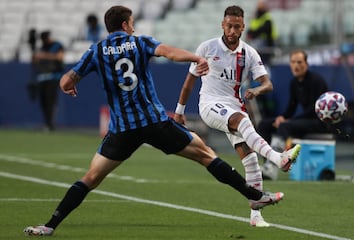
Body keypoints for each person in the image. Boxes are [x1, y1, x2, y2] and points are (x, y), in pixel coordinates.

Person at [23, 5, 286, 236]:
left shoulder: (97, 51)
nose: (134, 25)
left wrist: (68, 85)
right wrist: (196, 58)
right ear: (126, 25)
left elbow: (66, 80)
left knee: (91, 177)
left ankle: (50, 225)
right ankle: (256, 196)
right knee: (206, 154)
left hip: (122, 130)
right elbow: (170, 52)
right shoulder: (139, 43)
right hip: (154, 123)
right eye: (132, 21)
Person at [173, 5, 301, 227]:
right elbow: (189, 83)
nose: (232, 30)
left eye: (237, 27)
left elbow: (267, 83)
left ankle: (256, 216)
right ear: (222, 25)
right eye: (229, 26)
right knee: (243, 122)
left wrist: (257, 90)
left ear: (243, 27)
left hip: (235, 106)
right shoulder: (207, 48)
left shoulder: (249, 53)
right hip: (210, 105)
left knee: (250, 161)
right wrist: (179, 112)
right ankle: (277, 158)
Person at [257, 49, 329, 180]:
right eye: (293, 62)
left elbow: (314, 111)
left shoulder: (316, 80)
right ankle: (268, 164)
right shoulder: (294, 82)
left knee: (284, 126)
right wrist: (282, 117)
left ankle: (272, 167)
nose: (296, 65)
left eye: (299, 62)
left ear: (306, 64)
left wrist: (287, 122)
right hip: (303, 122)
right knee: (264, 125)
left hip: (319, 123)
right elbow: (291, 107)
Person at [32, 30, 65, 131]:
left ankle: (51, 124)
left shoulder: (57, 45)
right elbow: (35, 61)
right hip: (42, 78)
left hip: (53, 77)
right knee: (43, 102)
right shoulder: (41, 47)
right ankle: (47, 123)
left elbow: (60, 57)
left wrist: (43, 55)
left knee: (51, 101)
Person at [246, 0, 277, 66]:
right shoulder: (255, 17)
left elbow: (265, 29)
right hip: (257, 40)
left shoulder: (267, 17)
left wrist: (254, 33)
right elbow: (250, 29)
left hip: (266, 41)